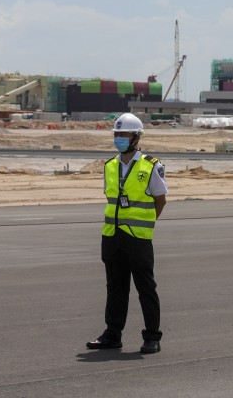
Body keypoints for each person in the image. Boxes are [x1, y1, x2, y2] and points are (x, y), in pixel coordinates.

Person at [86, 112, 167, 354]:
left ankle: (151, 337)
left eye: (124, 134)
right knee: (115, 287)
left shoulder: (151, 166)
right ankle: (112, 334)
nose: (119, 138)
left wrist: (147, 222)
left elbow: (160, 200)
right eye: (117, 134)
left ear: (136, 137)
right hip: (112, 235)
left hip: (138, 237)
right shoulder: (110, 166)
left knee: (145, 288)